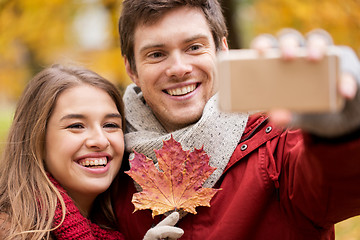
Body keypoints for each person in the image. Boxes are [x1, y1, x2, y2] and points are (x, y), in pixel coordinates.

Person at [114, 0, 360, 239]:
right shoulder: (108, 168)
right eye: (157, 54)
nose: (179, 68)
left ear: (222, 49)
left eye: (194, 47)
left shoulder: (280, 147)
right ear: (131, 69)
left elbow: (343, 185)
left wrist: (343, 135)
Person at [0, 64, 183, 240]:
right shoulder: (9, 228)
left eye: (110, 125)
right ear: (36, 138)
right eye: (77, 126)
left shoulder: (122, 223)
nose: (101, 141)